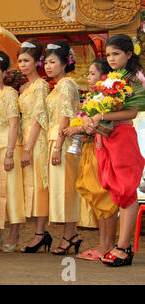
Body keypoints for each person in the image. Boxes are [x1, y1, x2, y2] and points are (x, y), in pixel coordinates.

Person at [83, 34, 145, 266]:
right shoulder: (108, 80)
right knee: (115, 190)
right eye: (108, 54)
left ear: (129, 55)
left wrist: (102, 115)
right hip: (105, 138)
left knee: (126, 192)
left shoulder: (134, 80)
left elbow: (131, 113)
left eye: (116, 54)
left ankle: (123, 248)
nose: (111, 58)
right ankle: (122, 245)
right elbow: (92, 109)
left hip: (123, 138)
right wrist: (90, 120)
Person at [62, 58, 119, 261]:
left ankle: (108, 244)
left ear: (104, 77)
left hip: (103, 150)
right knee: (96, 198)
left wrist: (79, 127)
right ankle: (103, 243)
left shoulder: (110, 98)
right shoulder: (92, 98)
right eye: (88, 74)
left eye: (93, 74)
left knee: (105, 197)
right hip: (89, 149)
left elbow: (105, 126)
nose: (89, 77)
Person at [0, 51, 25, 253]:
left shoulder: (10, 93)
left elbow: (13, 123)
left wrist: (10, 152)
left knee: (11, 191)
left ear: (3, 73)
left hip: (9, 146)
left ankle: (14, 234)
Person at [43, 40, 82, 255]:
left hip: (63, 141)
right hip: (56, 140)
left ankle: (70, 235)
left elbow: (66, 115)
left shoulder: (66, 84)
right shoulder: (58, 85)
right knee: (63, 189)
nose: (48, 67)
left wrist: (58, 146)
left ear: (64, 63)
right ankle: (71, 234)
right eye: (46, 63)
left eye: (52, 62)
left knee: (67, 189)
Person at [16, 39, 52, 253]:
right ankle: (40, 232)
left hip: (37, 139)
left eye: (27, 60)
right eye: (20, 60)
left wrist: (29, 148)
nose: (22, 64)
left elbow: (39, 118)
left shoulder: (41, 86)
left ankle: (40, 233)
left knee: (39, 184)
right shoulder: (22, 87)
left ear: (37, 62)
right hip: (24, 138)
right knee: (30, 184)